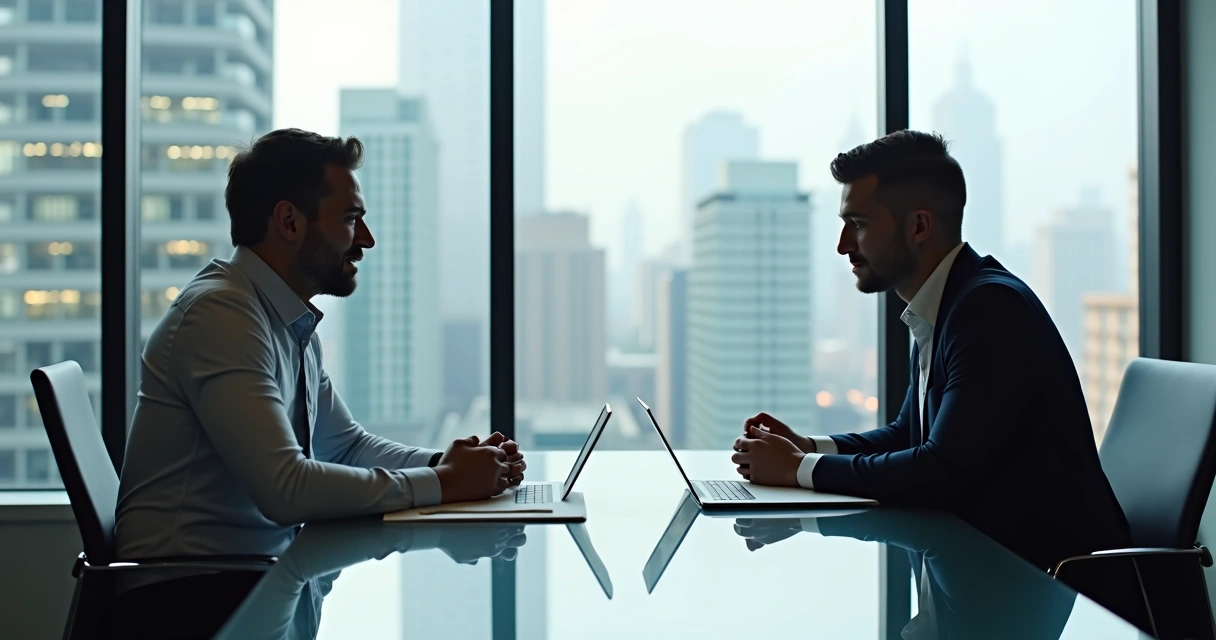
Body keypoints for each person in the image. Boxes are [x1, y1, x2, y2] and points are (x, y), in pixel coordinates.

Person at [112, 128, 525, 638]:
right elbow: (287, 489)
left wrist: (450, 465)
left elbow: (346, 447)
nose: (366, 239)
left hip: (251, 584)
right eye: (351, 219)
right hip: (188, 605)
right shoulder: (221, 315)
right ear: (289, 221)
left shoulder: (285, 319)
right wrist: (444, 484)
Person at [730, 130, 1132, 574]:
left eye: (858, 224)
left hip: (1044, 581)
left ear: (919, 226)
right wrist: (808, 447)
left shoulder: (988, 311)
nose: (844, 244)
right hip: (985, 565)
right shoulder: (945, 303)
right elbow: (910, 433)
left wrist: (800, 469)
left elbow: (938, 472)